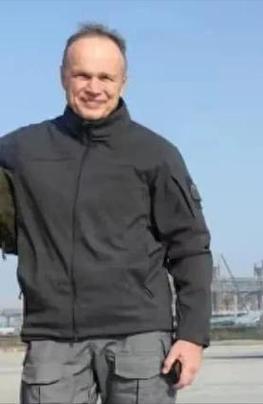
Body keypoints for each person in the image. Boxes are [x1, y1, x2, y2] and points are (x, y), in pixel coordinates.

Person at [0, 23, 213, 404]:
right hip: (53, 340)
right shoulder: (20, 151)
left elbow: (191, 248)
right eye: (82, 75)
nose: (94, 88)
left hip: (140, 339)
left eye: (105, 77)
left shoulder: (156, 155)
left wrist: (192, 336)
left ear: (123, 82)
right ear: (63, 76)